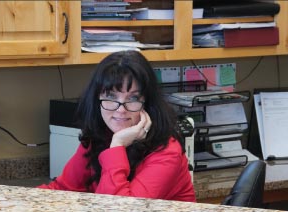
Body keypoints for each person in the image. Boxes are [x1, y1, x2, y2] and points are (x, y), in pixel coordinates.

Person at [39, 50, 196, 202]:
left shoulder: (167, 153)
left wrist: (117, 145)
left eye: (133, 98)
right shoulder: (99, 136)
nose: (121, 109)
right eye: (111, 96)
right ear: (96, 100)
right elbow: (62, 190)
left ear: (147, 104)